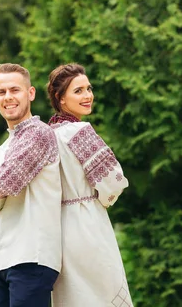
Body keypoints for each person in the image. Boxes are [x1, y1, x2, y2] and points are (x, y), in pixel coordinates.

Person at [46, 63, 133, 307]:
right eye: (78, 91)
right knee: (103, 295)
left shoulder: (46, 135)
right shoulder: (80, 131)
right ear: (60, 98)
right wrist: (101, 200)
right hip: (87, 224)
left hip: (57, 228)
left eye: (88, 88)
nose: (88, 96)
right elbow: (113, 181)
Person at [0, 63, 61, 307]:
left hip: (32, 257)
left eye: (15, 90)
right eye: (1, 92)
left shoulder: (39, 134)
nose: (8, 97)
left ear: (31, 93)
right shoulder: (0, 152)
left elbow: (6, 181)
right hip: (2, 259)